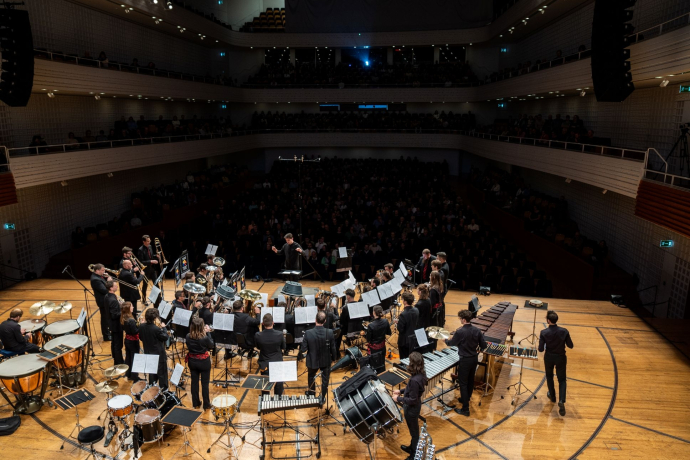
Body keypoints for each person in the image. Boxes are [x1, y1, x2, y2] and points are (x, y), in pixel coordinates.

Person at [445, 309, 487, 416]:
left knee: (463, 383)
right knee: (470, 380)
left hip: (465, 360)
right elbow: (484, 346)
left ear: (464, 320)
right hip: (474, 359)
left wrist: (445, 340)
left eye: (460, 319)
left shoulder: (460, 331)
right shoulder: (477, 330)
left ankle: (465, 409)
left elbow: (452, 343)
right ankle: (466, 398)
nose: (460, 320)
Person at [393, 351, 428, 459]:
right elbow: (411, 390)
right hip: (415, 407)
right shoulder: (421, 374)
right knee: (414, 431)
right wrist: (401, 391)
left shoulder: (414, 380)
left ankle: (413, 455)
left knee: (414, 433)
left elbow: (412, 399)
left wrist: (398, 398)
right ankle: (412, 447)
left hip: (412, 409)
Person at [539, 310, 574, 416]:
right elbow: (570, 345)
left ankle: (553, 396)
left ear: (548, 321)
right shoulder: (564, 331)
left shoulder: (544, 332)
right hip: (561, 358)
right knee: (562, 379)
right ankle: (561, 400)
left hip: (549, 357)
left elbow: (540, 349)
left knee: (549, 376)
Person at [300, 311, 337, 402]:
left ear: (315, 320)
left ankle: (312, 394)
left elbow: (303, 349)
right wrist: (334, 359)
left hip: (313, 360)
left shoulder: (308, 333)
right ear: (324, 321)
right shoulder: (329, 332)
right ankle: (322, 397)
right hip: (326, 360)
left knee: (311, 376)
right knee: (325, 380)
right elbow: (333, 348)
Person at [186, 317, 214, 410]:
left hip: (192, 361)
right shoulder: (204, 338)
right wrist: (208, 332)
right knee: (205, 384)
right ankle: (206, 404)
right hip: (204, 362)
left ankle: (196, 402)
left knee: (194, 383)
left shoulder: (188, 336)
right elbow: (211, 345)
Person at [254, 313, 286, 396]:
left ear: (263, 324)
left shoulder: (258, 335)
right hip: (277, 362)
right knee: (278, 385)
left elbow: (258, 347)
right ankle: (278, 400)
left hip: (265, 363)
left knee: (265, 386)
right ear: (273, 322)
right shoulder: (279, 334)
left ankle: (265, 403)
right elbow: (283, 347)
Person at [139, 308, 169, 389]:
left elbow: (141, 338)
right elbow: (165, 337)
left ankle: (152, 392)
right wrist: (164, 328)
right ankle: (164, 393)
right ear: (155, 318)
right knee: (162, 375)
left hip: (148, 353)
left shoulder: (141, 326)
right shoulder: (156, 329)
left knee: (152, 375)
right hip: (159, 355)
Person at [90, 263, 112, 341]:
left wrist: (106, 279)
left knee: (107, 318)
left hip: (105, 300)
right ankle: (106, 336)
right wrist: (109, 282)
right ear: (97, 270)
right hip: (103, 301)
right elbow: (105, 290)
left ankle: (108, 332)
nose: (104, 271)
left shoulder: (99, 276)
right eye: (102, 270)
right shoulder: (95, 279)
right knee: (104, 319)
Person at [105, 280, 124, 365]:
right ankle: (119, 362)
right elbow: (114, 315)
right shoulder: (112, 300)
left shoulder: (107, 296)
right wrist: (123, 310)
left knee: (114, 343)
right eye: (115, 286)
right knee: (118, 345)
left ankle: (116, 359)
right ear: (111, 288)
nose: (117, 286)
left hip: (111, 324)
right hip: (116, 325)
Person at [396, 292, 419, 359]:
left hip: (404, 341)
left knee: (404, 359)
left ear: (405, 302)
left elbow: (400, 329)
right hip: (413, 338)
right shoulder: (416, 310)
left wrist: (398, 323)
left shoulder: (403, 314)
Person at [121, 302, 140, 381]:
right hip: (133, 341)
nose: (133, 307)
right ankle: (135, 377)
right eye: (131, 306)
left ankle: (128, 374)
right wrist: (141, 325)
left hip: (127, 340)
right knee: (134, 359)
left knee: (128, 358)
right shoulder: (131, 320)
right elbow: (135, 331)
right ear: (128, 309)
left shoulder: (123, 318)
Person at [138, 235, 159, 305]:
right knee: (145, 285)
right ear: (143, 242)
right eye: (147, 241)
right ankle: (144, 300)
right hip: (146, 270)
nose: (149, 242)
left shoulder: (150, 247)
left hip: (152, 269)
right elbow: (141, 261)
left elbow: (151, 256)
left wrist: (156, 256)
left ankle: (158, 298)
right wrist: (151, 261)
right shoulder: (140, 250)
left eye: (149, 241)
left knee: (156, 284)